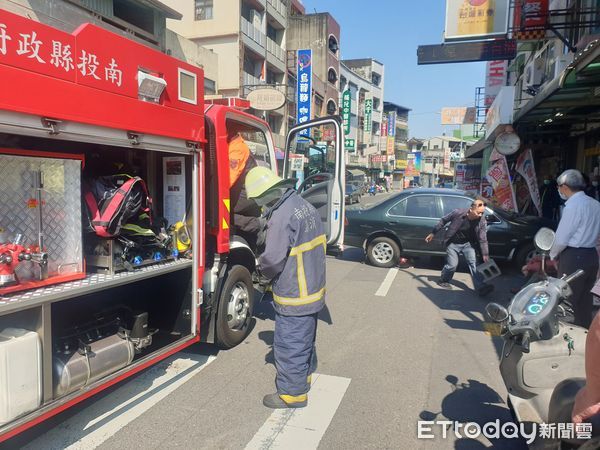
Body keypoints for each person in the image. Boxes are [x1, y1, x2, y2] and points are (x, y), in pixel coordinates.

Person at [245, 166, 326, 409]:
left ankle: (292, 395)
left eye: (258, 199)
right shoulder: (302, 205)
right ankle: (304, 378)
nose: (259, 204)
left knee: (289, 343)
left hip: (295, 291)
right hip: (313, 287)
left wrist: (260, 274)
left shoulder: (281, 217)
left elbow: (272, 259)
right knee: (305, 339)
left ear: (267, 194)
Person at [550, 169, 600, 329]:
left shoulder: (573, 206)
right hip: (591, 255)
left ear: (564, 186)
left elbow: (562, 237)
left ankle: (566, 339)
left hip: (574, 256)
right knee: (585, 300)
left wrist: (553, 254)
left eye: (558, 186)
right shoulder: (595, 204)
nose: (559, 190)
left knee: (566, 300)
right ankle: (584, 336)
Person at [425, 198, 494, 296]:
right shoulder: (458, 213)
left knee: (474, 263)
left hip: (468, 244)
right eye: (478, 213)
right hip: (452, 243)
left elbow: (483, 238)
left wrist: (485, 254)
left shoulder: (481, 220)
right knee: (452, 265)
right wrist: (433, 233)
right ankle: (443, 280)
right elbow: (443, 220)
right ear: (471, 210)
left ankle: (481, 287)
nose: (480, 215)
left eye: (482, 213)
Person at [228, 131, 262, 249]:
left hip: (248, 193)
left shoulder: (237, 148)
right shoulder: (233, 145)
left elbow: (228, 179)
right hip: (245, 191)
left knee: (220, 213)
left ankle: (257, 224)